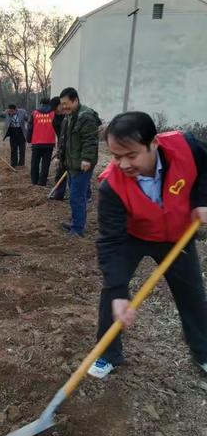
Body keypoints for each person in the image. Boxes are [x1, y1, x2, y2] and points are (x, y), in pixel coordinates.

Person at [88, 111, 207, 379]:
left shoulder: (186, 148)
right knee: (111, 294)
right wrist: (119, 293)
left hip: (178, 235)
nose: (124, 164)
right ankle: (108, 354)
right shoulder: (112, 187)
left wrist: (201, 199)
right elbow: (110, 242)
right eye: (117, 157)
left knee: (193, 295)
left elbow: (205, 169)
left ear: (153, 144)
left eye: (131, 155)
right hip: (134, 236)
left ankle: (203, 352)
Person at [58, 87, 101, 237]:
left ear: (75, 100)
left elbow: (90, 140)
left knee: (78, 197)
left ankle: (78, 229)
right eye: (62, 104)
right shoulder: (70, 116)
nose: (63, 107)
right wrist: (61, 157)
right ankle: (76, 222)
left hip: (81, 165)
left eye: (66, 103)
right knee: (74, 195)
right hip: (72, 163)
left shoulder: (85, 117)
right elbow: (67, 140)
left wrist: (87, 159)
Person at [27, 97, 56, 186]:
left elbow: (30, 128)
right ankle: (42, 182)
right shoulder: (53, 113)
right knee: (45, 164)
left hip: (36, 142)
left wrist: (28, 140)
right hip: (49, 143)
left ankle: (34, 181)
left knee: (35, 163)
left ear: (40, 103)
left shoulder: (34, 113)